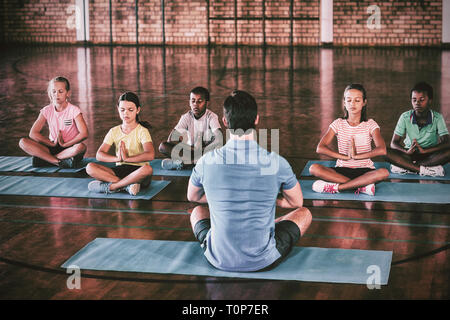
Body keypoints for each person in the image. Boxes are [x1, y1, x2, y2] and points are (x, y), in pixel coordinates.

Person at [187, 90, 312, 272]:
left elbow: (194, 197)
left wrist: (221, 196)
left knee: (197, 212)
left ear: (224, 121)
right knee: (304, 213)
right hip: (262, 260)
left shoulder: (206, 161)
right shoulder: (276, 163)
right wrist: (267, 199)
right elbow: (296, 202)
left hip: (217, 258)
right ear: (256, 120)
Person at [309, 83, 389, 195]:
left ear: (364, 102)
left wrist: (357, 156)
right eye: (349, 100)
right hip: (342, 170)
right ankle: (361, 187)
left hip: (365, 171)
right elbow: (320, 148)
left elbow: (382, 150)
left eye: (357, 100)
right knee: (314, 168)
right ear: (344, 103)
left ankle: (337, 188)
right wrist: (344, 157)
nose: (352, 104)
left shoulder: (370, 124)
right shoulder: (338, 123)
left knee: (384, 172)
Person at [86, 92, 154, 196]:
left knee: (148, 169)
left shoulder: (142, 131)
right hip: (120, 169)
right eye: (122, 110)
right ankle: (126, 186)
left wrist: (127, 158)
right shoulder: (114, 131)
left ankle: (112, 186)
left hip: (138, 171)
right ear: (118, 109)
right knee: (89, 167)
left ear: (138, 110)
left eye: (130, 110)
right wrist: (118, 159)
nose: (126, 113)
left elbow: (150, 154)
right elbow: (99, 154)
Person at [19, 76, 88, 168]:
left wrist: (65, 144)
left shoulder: (74, 110)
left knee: (81, 147)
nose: (57, 94)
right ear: (49, 94)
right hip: (52, 146)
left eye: (60, 91)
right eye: (54, 91)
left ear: (68, 93)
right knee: (23, 142)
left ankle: (46, 159)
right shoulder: (46, 110)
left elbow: (84, 133)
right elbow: (33, 133)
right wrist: (50, 143)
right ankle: (57, 161)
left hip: (69, 148)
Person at [386, 82, 450, 176]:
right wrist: (406, 151)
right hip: (408, 154)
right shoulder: (405, 117)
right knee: (384, 152)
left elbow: (447, 142)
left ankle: (407, 167)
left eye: (422, 99)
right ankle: (425, 169)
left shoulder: (437, 118)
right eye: (414, 100)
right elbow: (393, 143)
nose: (417, 103)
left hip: (430, 155)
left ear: (430, 101)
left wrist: (425, 151)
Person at [158, 86, 222, 170]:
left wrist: (202, 149)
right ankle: (192, 162)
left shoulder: (211, 117)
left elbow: (219, 139)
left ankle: (182, 163)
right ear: (189, 103)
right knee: (163, 146)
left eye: (199, 101)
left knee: (216, 152)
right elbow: (171, 139)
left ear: (207, 103)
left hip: (205, 152)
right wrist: (193, 149)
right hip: (191, 151)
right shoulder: (186, 117)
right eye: (193, 101)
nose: (195, 104)